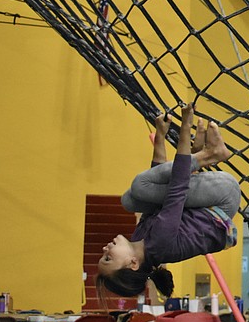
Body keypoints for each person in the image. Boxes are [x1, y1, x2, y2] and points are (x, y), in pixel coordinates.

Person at [96, 104, 240, 303]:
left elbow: (155, 189)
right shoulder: (159, 244)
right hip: (223, 199)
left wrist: (160, 136)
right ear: (133, 263)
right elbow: (177, 188)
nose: (105, 249)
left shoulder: (139, 239)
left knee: (130, 200)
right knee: (139, 186)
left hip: (206, 201)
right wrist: (185, 125)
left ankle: (198, 153)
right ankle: (210, 154)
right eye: (108, 258)